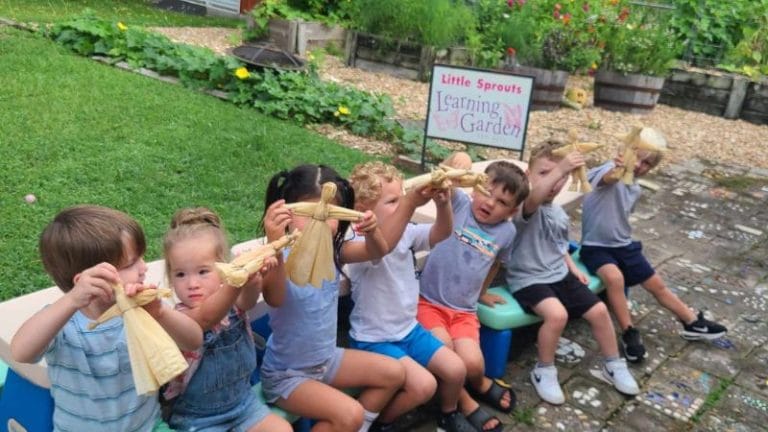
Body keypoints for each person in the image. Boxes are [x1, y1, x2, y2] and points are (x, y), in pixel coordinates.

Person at [10, 205, 203, 431]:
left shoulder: (147, 309)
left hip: (147, 426)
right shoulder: (63, 323)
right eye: (130, 263)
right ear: (88, 280)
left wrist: (160, 312)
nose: (143, 268)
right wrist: (72, 300)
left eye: (141, 257)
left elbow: (194, 340)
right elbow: (21, 352)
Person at [258, 164, 406, 432]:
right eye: (309, 213)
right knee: (350, 414)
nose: (319, 222)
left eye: (328, 214)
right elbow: (274, 298)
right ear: (287, 214)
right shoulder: (277, 256)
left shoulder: (334, 251)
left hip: (326, 360)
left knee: (394, 373)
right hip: (286, 375)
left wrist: (373, 231)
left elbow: (377, 252)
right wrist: (274, 244)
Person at [499, 141, 639, 405]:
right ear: (529, 175)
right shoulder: (524, 206)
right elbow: (534, 197)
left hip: (558, 273)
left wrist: (571, 265)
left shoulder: (558, 213)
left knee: (598, 311)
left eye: (561, 176)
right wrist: (562, 166)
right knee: (557, 315)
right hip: (528, 279)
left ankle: (613, 364)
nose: (554, 182)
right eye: (545, 173)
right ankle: (544, 370)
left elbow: (559, 244)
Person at [347, 161, 475, 432]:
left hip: (408, 330)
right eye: (393, 201)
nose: (402, 204)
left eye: (400, 197)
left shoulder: (405, 231)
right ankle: (383, 422)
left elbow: (440, 233)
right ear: (362, 211)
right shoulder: (356, 239)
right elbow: (380, 249)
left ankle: (448, 413)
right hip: (375, 338)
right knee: (424, 385)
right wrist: (409, 204)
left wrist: (443, 205)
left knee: (456, 369)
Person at [580, 129, 727, 362]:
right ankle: (629, 331)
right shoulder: (604, 172)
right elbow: (607, 179)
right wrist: (618, 169)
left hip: (624, 245)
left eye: (646, 163)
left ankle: (690, 321)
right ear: (622, 152)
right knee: (615, 278)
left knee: (656, 284)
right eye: (636, 157)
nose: (639, 165)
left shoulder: (635, 188)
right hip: (595, 247)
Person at [417, 153, 528, 432]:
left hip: (463, 311)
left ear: (512, 211)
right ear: (474, 187)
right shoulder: (459, 205)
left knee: (473, 364)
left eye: (502, 202)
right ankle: (463, 402)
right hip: (428, 302)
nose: (490, 203)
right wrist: (460, 159)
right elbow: (443, 175)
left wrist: (481, 293)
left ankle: (478, 383)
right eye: (486, 192)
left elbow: (495, 263)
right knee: (447, 356)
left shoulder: (507, 232)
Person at [162, 208, 292, 431]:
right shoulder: (180, 316)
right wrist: (236, 280)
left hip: (243, 404)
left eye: (203, 271)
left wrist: (253, 279)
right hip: (197, 416)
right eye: (180, 274)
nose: (192, 283)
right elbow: (206, 318)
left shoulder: (233, 300)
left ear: (223, 267)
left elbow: (248, 301)